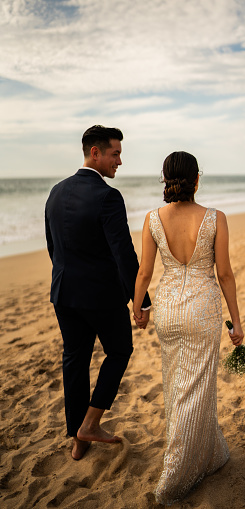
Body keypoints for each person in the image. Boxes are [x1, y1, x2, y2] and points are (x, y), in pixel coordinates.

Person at [133, 151, 244, 505]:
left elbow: (144, 273)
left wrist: (139, 308)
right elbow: (224, 273)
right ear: (197, 179)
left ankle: (209, 455)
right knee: (197, 386)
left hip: (167, 309)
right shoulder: (215, 218)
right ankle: (176, 473)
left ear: (166, 180)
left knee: (177, 384)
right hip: (202, 309)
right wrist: (236, 322)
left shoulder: (152, 218)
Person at [45, 125, 151, 460]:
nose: (120, 160)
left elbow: (53, 248)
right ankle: (90, 423)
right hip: (102, 297)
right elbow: (124, 254)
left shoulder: (56, 192)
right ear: (95, 153)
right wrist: (141, 299)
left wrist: (68, 277)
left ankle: (79, 440)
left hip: (64, 293)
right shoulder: (108, 196)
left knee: (74, 361)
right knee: (119, 351)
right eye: (115, 153)